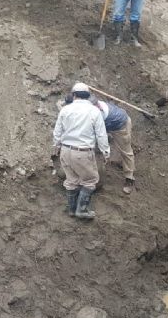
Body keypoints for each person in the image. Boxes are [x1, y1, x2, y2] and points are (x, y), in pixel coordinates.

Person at [52, 83, 110, 219]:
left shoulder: (65, 110)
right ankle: (82, 210)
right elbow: (101, 134)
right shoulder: (94, 111)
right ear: (88, 96)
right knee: (91, 180)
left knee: (71, 180)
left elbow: (57, 132)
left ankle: (72, 210)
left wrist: (56, 146)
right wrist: (105, 152)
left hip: (65, 150)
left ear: (74, 95)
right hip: (82, 151)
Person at [65, 94, 135, 194]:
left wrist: (104, 151)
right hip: (107, 123)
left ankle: (130, 178)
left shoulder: (97, 114)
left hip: (120, 125)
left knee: (126, 151)